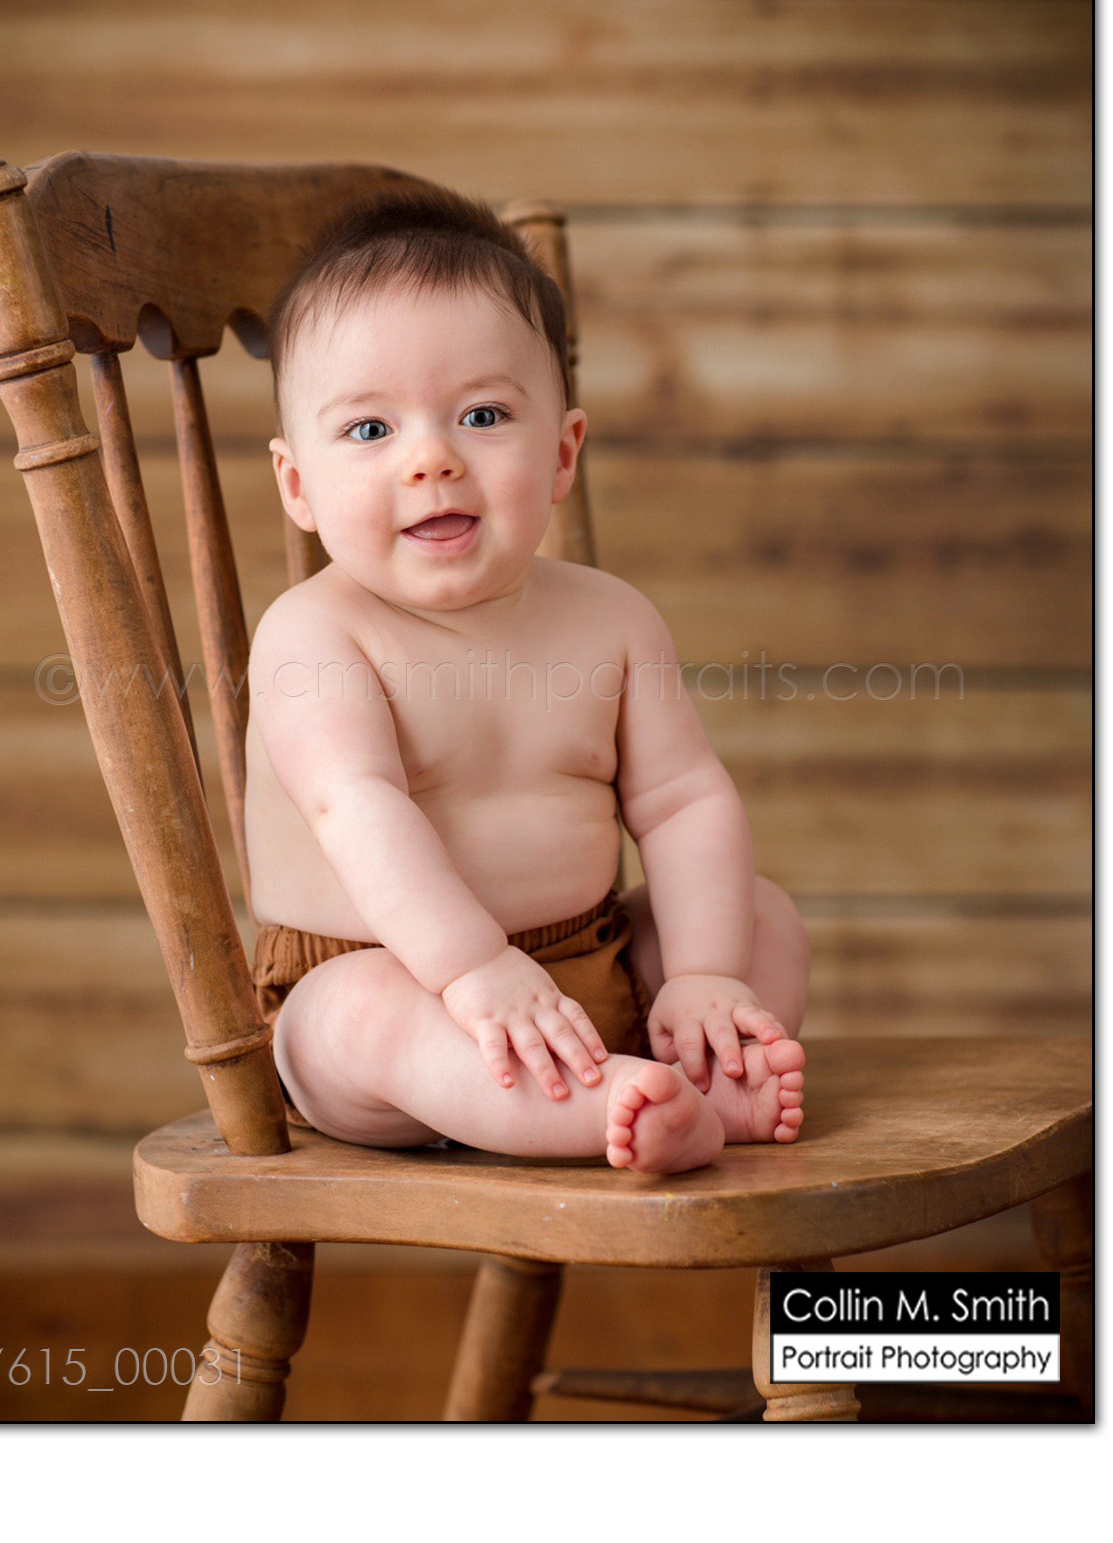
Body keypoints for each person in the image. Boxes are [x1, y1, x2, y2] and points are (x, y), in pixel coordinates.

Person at [243, 189, 810, 1174]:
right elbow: (355, 807)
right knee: (360, 1019)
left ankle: (695, 1075)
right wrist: (471, 966)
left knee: (762, 916)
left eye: (482, 415)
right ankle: (604, 1110)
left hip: (589, 961)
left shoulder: (612, 619)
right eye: (370, 430)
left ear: (560, 453)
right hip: (396, 986)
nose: (431, 459)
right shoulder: (315, 633)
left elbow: (683, 801)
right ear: (298, 486)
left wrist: (703, 972)